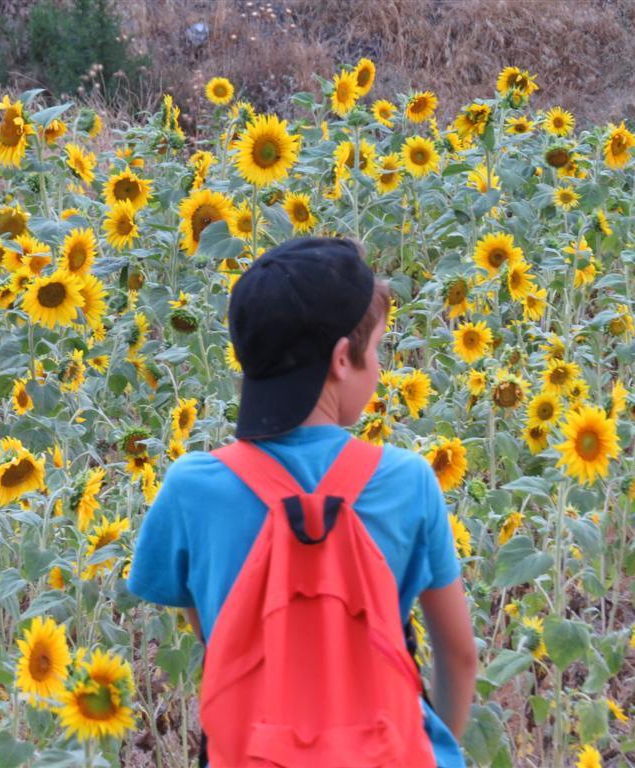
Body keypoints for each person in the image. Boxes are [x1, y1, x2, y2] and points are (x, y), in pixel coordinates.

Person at [127, 236, 478, 767]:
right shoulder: (408, 481)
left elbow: (215, 634)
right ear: (342, 359)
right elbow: (459, 655)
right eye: (378, 349)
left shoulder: (191, 488)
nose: (380, 367)